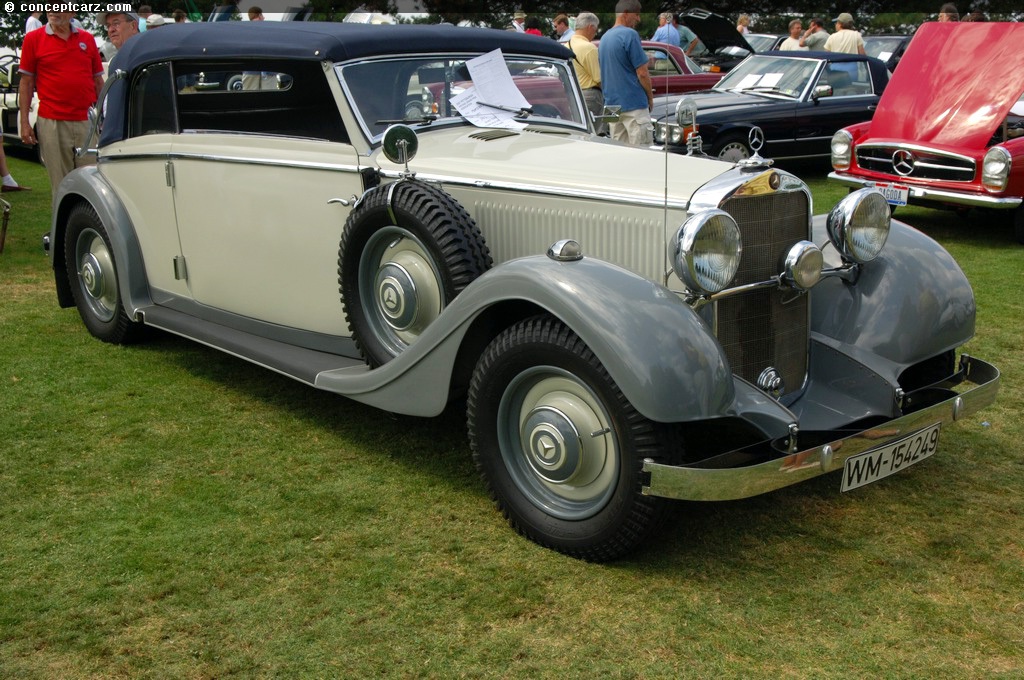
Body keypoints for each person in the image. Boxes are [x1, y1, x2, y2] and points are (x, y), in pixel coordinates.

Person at [18, 11, 104, 200]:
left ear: (71, 11)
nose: (53, 11)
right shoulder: (33, 39)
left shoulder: (87, 39)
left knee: (93, 182)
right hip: (52, 121)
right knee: (61, 185)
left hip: (86, 121)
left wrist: (106, 118)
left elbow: (98, 80)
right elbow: (26, 82)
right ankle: (63, 229)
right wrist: (24, 122)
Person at [598, 0, 653, 147]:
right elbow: (642, 73)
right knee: (642, 153)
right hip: (633, 102)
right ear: (627, 13)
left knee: (618, 153)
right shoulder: (630, 34)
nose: (638, 19)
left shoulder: (604, 38)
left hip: (611, 105)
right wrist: (650, 97)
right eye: (637, 15)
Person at [568, 12, 605, 135]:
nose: (595, 33)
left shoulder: (566, 45)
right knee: (594, 132)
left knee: (578, 132)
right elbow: (599, 79)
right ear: (590, 27)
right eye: (595, 29)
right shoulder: (589, 48)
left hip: (572, 94)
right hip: (591, 95)